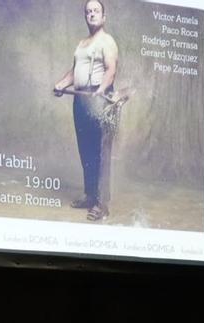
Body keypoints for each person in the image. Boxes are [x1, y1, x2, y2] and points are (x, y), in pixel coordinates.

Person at [53, 0, 119, 221]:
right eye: (88, 11)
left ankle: (102, 204)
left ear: (104, 16)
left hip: (99, 100)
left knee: (101, 154)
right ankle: (90, 196)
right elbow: (75, 71)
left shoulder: (107, 41)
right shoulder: (82, 44)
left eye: (96, 11)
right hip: (80, 101)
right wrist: (62, 84)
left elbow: (111, 70)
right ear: (85, 16)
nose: (92, 14)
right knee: (86, 151)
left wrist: (100, 91)